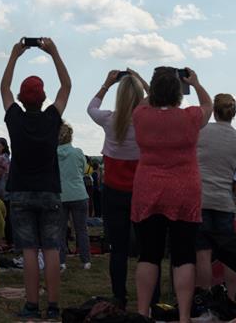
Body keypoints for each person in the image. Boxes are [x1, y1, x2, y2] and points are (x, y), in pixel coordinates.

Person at [131, 66, 212, 323]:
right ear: (179, 92)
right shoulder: (190, 117)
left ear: (153, 91)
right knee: (184, 254)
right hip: (184, 191)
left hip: (148, 189)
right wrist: (196, 83)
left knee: (149, 253)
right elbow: (208, 104)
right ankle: (185, 316)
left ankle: (143, 313)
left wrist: (152, 88)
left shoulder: (141, 115)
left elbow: (145, 101)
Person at [0, 37, 71, 320]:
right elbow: (66, 87)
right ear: (43, 98)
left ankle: (31, 304)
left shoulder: (14, 117)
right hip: (49, 190)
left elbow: (3, 87)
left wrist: (14, 56)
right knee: (51, 249)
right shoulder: (52, 118)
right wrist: (54, 52)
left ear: (20, 97)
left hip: (21, 191)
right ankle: (53, 306)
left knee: (29, 250)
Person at [87, 69, 145, 306]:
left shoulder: (109, 119)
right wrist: (142, 82)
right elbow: (162, 107)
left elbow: (91, 108)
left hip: (114, 191)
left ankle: (119, 296)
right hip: (142, 191)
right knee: (147, 250)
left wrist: (106, 83)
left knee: (118, 249)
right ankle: (149, 296)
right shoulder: (147, 120)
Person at [195, 93, 236, 302]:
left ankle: (206, 298)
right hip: (225, 202)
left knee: (203, 253)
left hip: (201, 199)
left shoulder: (201, 133)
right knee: (229, 255)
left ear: (214, 111)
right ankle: (231, 299)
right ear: (234, 113)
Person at [56, 122, 91, 271]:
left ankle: (61, 261)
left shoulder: (52, 154)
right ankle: (86, 261)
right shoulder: (77, 152)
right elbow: (84, 170)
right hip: (78, 194)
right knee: (81, 229)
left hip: (60, 195)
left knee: (60, 230)